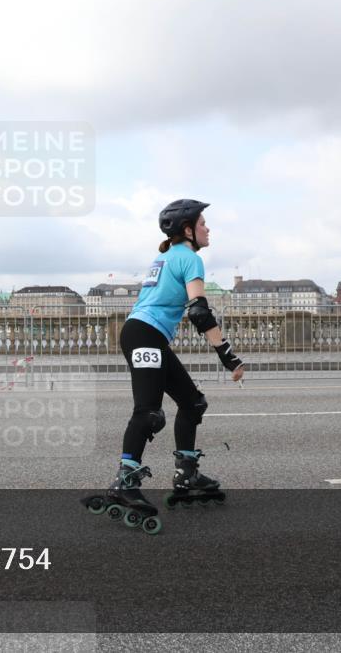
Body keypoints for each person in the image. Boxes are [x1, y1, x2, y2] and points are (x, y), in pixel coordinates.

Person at [108, 198, 246, 515]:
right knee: (149, 413)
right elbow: (199, 311)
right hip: (145, 335)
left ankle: (187, 474)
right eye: (202, 224)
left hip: (145, 334)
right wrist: (228, 356)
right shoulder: (189, 258)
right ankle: (125, 483)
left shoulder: (167, 256)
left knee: (192, 403)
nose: (208, 228)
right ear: (187, 229)